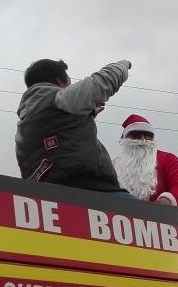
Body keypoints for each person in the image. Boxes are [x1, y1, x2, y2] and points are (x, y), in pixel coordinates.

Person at [15, 58, 132, 195]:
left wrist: (80, 118)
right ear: (60, 80)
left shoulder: (25, 122)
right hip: (91, 189)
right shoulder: (59, 99)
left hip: (46, 195)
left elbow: (54, 139)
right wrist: (121, 66)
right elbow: (99, 84)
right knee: (145, 213)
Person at [112, 114, 178, 207]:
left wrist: (167, 200)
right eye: (136, 135)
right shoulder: (112, 165)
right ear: (125, 139)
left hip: (159, 218)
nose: (142, 139)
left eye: (147, 135)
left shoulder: (168, 160)